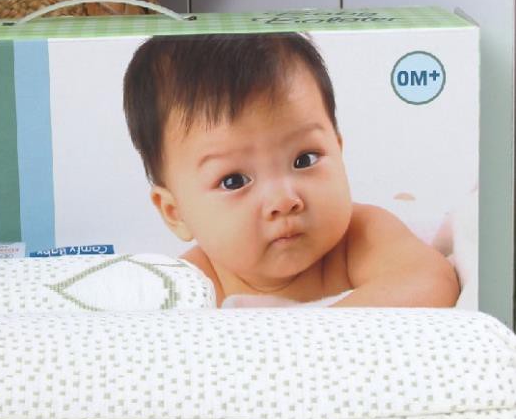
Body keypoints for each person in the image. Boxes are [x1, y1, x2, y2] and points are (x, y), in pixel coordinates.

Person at [123, 33, 459, 307]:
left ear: (338, 150)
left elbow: (431, 281)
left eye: (305, 160)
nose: (284, 201)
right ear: (175, 213)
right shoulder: (189, 284)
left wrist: (310, 335)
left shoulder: (360, 237)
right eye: (234, 181)